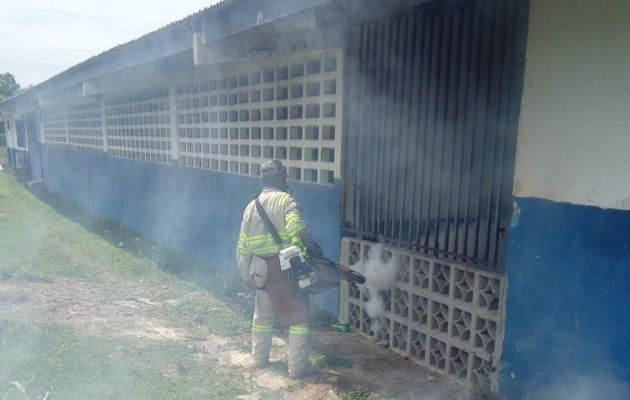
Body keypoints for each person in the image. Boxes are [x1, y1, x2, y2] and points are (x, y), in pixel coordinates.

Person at [236, 160, 323, 378]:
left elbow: (242, 246)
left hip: (260, 272)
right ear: (282, 178)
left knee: (262, 319)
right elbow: (297, 232)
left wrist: (245, 275)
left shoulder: (251, 206)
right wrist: (314, 253)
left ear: (263, 180)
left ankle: (259, 360)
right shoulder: (287, 201)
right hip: (285, 272)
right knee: (299, 319)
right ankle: (297, 369)